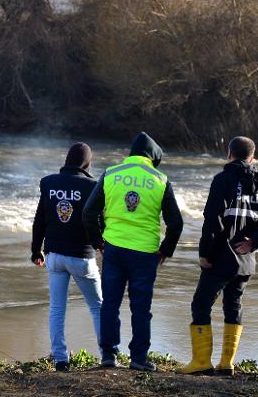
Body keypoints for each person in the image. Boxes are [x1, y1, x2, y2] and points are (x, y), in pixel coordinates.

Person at [180, 136, 258, 376]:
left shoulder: (222, 180)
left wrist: (205, 253)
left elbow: (212, 220)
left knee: (201, 304)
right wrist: (254, 242)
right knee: (233, 306)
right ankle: (227, 365)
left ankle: (202, 362)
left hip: (221, 258)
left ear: (229, 154)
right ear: (252, 158)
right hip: (245, 262)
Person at [83, 132, 183, 371]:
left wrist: (99, 243)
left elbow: (89, 213)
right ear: (152, 157)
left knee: (110, 305)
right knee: (141, 308)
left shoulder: (111, 174)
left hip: (114, 250)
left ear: (131, 154)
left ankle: (109, 355)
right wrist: (165, 251)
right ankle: (138, 359)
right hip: (146, 253)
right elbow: (176, 223)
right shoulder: (160, 179)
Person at [31, 142, 104, 372]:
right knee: (98, 308)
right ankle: (108, 356)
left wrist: (36, 250)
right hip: (82, 258)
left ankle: (61, 359)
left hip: (54, 257)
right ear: (87, 162)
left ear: (67, 159)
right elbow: (98, 221)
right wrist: (101, 245)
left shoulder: (49, 183)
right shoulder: (93, 186)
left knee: (56, 309)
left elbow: (39, 220)